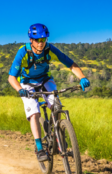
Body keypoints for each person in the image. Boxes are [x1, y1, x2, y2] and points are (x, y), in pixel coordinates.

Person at [8, 23, 90, 162]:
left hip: (45, 80)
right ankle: (40, 148)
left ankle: (58, 138)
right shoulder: (23, 52)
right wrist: (20, 90)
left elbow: (70, 64)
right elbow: (11, 78)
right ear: (31, 40)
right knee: (34, 112)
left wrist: (82, 77)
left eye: (44, 39)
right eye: (38, 40)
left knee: (57, 106)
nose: (41, 43)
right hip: (27, 83)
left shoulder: (49, 49)